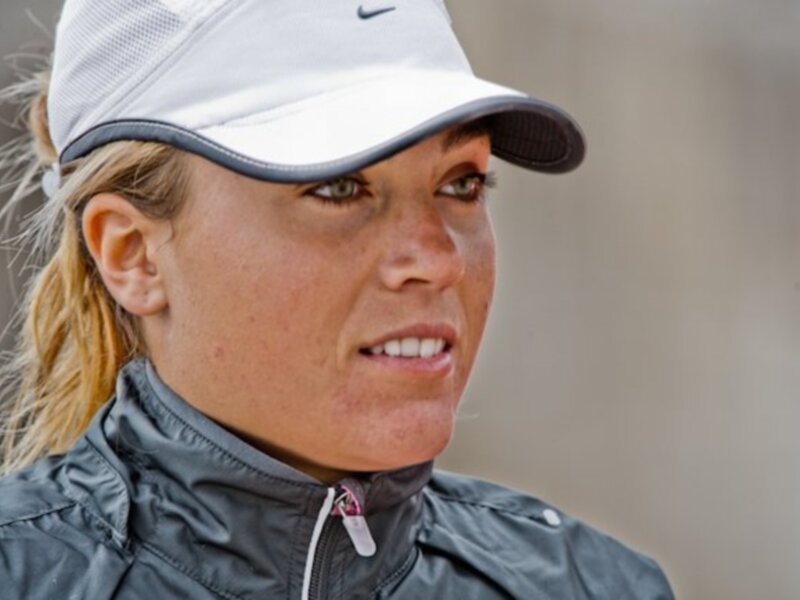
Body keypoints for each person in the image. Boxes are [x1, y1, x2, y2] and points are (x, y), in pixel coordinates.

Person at [0, 1, 673, 598]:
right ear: (133, 254)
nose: (437, 260)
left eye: (462, 183)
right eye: (340, 188)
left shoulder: (593, 585)